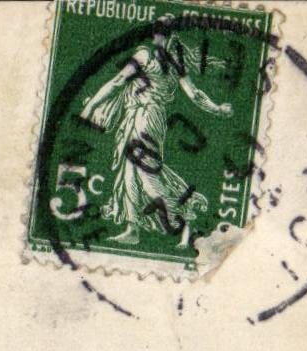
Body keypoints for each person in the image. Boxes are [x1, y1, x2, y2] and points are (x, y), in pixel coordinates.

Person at [79, 21, 231, 248]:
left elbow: (119, 81)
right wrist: (217, 108)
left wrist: (91, 106)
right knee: (129, 172)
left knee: (146, 176)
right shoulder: (174, 60)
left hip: (145, 117)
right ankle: (133, 229)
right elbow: (196, 94)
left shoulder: (144, 55)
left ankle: (186, 219)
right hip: (147, 117)